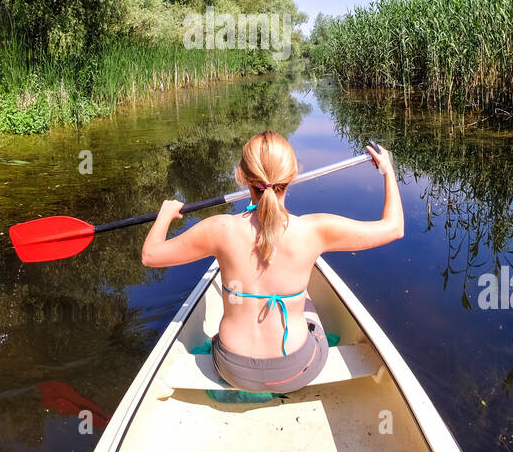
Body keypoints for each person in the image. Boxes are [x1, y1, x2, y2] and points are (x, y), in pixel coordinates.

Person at [141, 131, 403, 393]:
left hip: (232, 368)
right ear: (293, 176)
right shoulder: (315, 231)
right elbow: (394, 229)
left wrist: (164, 215)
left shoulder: (219, 229)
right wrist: (387, 172)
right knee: (308, 304)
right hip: (296, 370)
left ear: (241, 176)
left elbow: (150, 256)